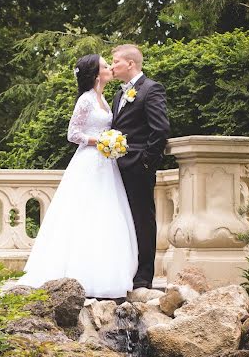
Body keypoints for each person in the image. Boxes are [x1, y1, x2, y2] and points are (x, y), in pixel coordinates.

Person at [18, 54, 138, 299]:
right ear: (96, 74)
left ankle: (106, 271)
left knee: (105, 213)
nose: (110, 68)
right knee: (83, 213)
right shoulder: (85, 100)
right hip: (89, 162)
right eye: (105, 66)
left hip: (106, 164)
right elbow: (73, 134)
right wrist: (101, 141)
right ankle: (75, 274)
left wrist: (110, 142)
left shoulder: (104, 98)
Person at [110, 44, 170, 289]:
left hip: (138, 167)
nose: (112, 67)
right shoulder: (117, 95)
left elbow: (161, 129)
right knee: (123, 220)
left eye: (115, 62)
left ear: (130, 64)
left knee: (143, 219)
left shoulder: (151, 89)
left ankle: (144, 276)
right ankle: (126, 270)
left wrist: (145, 161)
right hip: (117, 169)